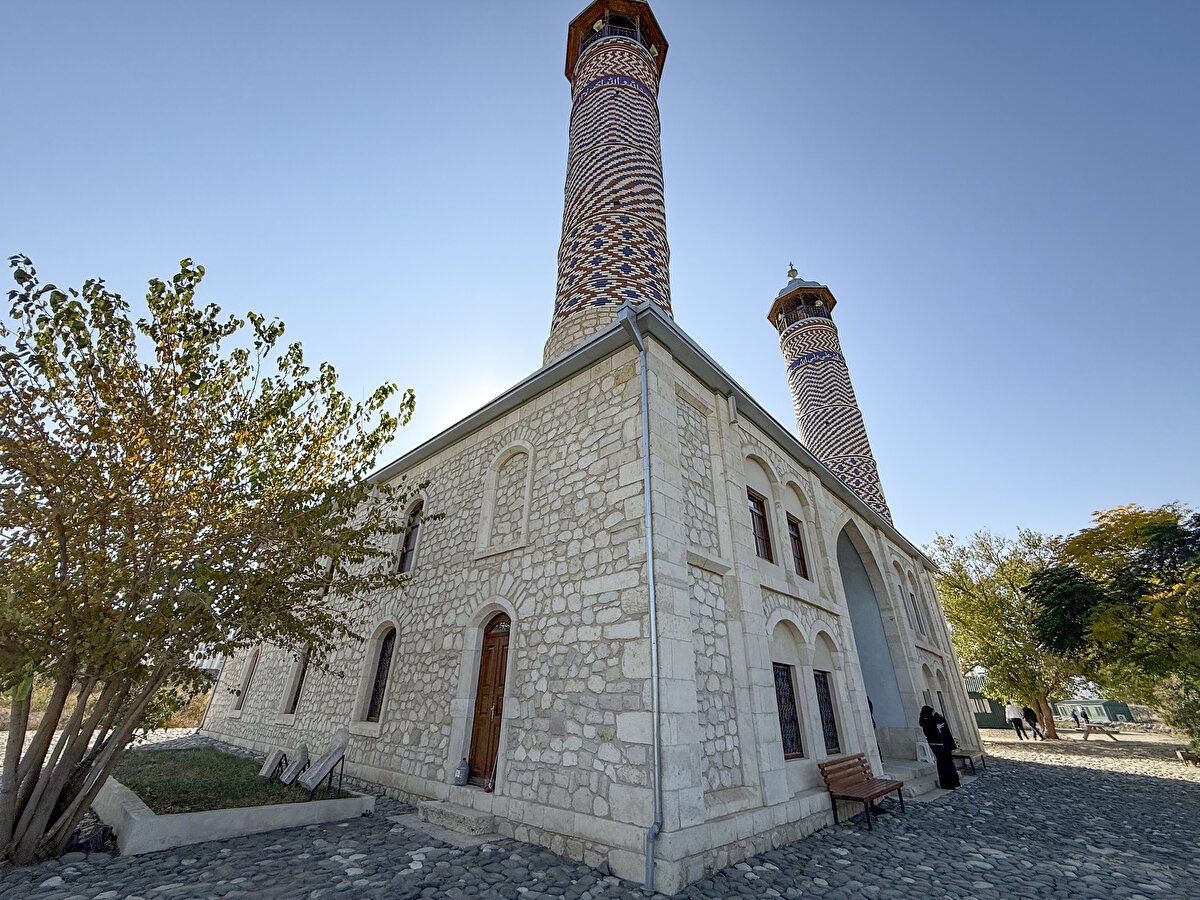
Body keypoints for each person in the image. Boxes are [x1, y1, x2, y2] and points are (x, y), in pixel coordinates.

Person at [919, 705, 961, 789]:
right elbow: (937, 728)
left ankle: (952, 782)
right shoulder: (929, 722)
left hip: (940, 744)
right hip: (939, 745)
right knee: (945, 764)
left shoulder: (930, 721)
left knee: (946, 763)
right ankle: (949, 783)